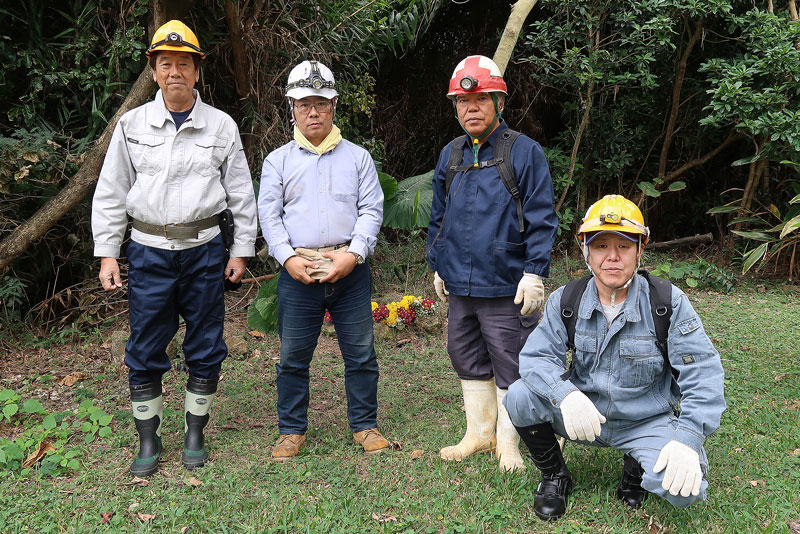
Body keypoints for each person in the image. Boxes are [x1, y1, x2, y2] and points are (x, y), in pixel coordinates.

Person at [91, 20, 257, 476]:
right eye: (166, 63)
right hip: (148, 251)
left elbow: (240, 192)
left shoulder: (221, 126)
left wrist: (240, 250)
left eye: (185, 63)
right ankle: (148, 439)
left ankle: (195, 430)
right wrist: (107, 252)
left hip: (205, 250)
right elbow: (111, 191)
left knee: (205, 344)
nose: (175, 72)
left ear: (197, 71)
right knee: (145, 345)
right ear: (154, 70)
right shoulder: (132, 124)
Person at [504, 194, 726, 520]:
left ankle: (636, 468)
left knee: (685, 489)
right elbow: (536, 358)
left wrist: (688, 439)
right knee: (520, 396)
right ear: (585, 252)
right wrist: (565, 395)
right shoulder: (566, 300)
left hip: (646, 421)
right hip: (583, 414)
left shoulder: (667, 302)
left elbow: (704, 374)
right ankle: (554, 475)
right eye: (600, 246)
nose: (612, 257)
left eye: (623, 246)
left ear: (640, 250)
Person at [427, 55, 558, 472]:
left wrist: (535, 272)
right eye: (463, 102)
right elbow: (438, 218)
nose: (471, 108)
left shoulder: (523, 152)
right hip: (461, 286)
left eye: (481, 99)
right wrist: (438, 263)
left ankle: (510, 443)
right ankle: (479, 434)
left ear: (499, 101)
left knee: (511, 363)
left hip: (506, 285)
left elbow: (542, 217)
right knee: (465, 356)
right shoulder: (450, 154)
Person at [258, 59, 388, 461]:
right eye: (303, 104)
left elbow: (371, 209)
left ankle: (365, 426)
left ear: (333, 106)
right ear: (292, 109)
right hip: (298, 270)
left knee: (361, 352)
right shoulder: (277, 161)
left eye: (320, 103)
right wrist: (285, 257)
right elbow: (269, 213)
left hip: (349, 268)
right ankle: (292, 431)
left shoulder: (358, 158)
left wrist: (354, 254)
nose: (312, 112)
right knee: (293, 357)